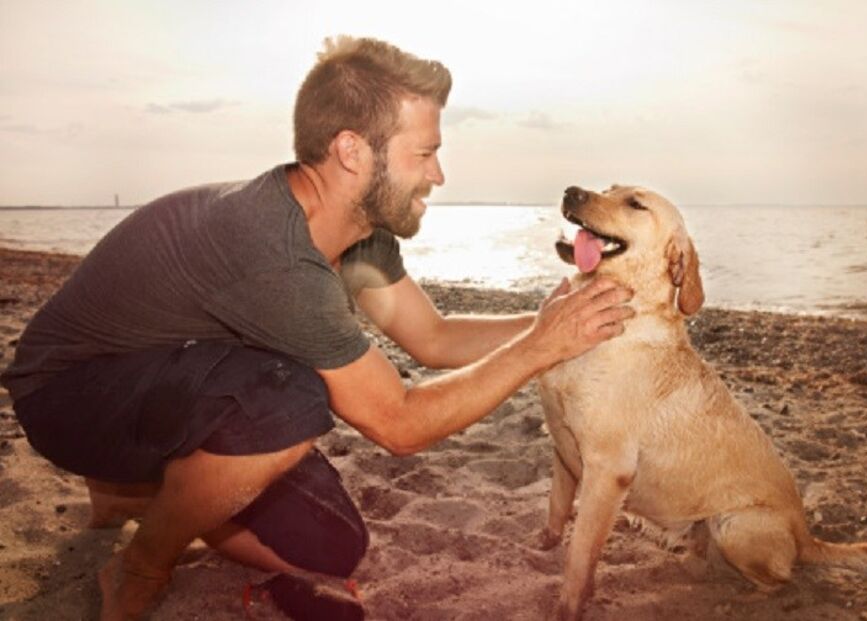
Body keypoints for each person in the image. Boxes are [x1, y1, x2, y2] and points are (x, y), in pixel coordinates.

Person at [0, 36, 632, 620]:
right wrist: (542, 347)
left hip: (170, 381)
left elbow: (433, 339)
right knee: (289, 400)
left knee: (332, 545)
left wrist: (558, 323)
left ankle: (131, 492)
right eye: (424, 153)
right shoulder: (275, 250)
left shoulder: (357, 229)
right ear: (351, 151)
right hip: (68, 398)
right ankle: (140, 566)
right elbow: (399, 424)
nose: (438, 175)